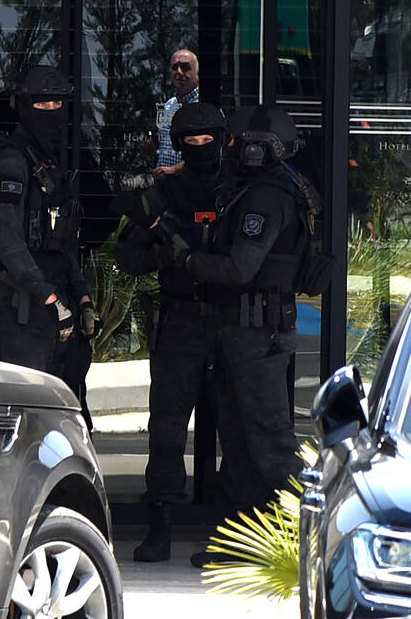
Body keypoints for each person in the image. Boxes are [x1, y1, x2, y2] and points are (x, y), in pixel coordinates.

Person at [179, 105, 307, 566]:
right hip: (242, 333)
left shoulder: (266, 198)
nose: (228, 149)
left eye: (234, 142)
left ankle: (310, 542)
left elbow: (239, 267)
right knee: (238, 445)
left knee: (270, 447)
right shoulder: (256, 191)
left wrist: (189, 261)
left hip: (258, 336)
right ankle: (248, 544)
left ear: (257, 149)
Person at [113, 102, 234, 562]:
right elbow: (127, 257)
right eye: (192, 142)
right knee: (167, 430)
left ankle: (232, 531)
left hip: (228, 321)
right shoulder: (165, 193)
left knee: (234, 429)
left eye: (208, 140)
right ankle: (160, 523)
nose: (200, 148)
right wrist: (165, 253)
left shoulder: (238, 189)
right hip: (180, 320)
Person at [0, 64, 99, 423]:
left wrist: (82, 296)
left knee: (70, 416)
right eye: (42, 104)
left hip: (59, 304)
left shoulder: (51, 161)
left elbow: (64, 241)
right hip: (24, 309)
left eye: (57, 104)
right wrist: (49, 298)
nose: (51, 111)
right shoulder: (9, 162)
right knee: (25, 416)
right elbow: (8, 243)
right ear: (24, 107)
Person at [153, 49, 200, 173]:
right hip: (164, 183)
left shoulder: (205, 107)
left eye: (185, 67)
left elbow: (208, 156)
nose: (179, 72)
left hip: (192, 183)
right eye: (175, 67)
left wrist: (173, 170)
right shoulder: (169, 105)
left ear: (197, 72)